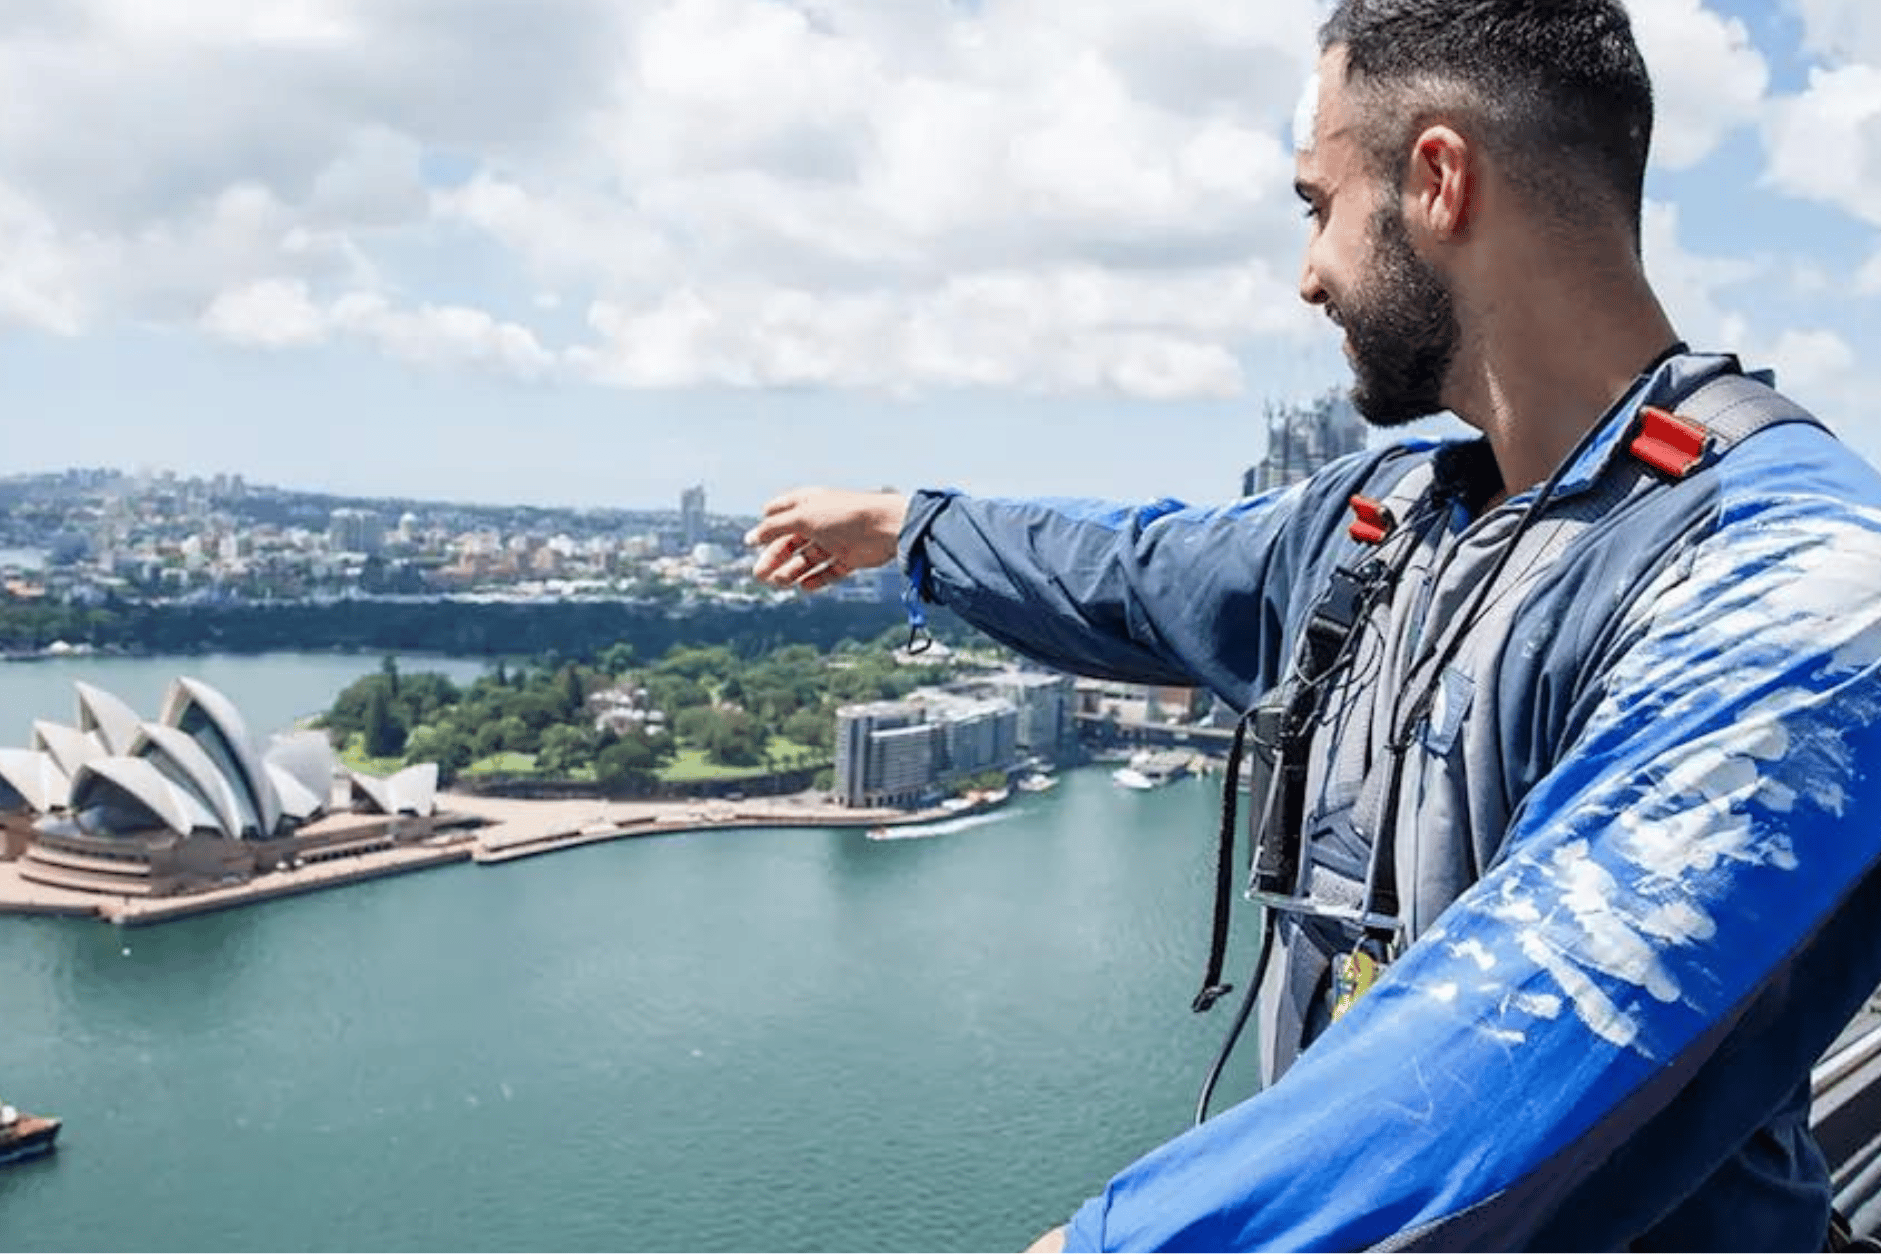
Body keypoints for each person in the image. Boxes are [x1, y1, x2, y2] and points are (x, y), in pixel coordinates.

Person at [746, 1, 1881, 1249]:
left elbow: (1539, 1028)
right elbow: (1135, 566)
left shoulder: (1804, 574)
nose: (1308, 275)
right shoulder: (1387, 523)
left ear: (1439, 179)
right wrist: (911, 525)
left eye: (1317, 204)